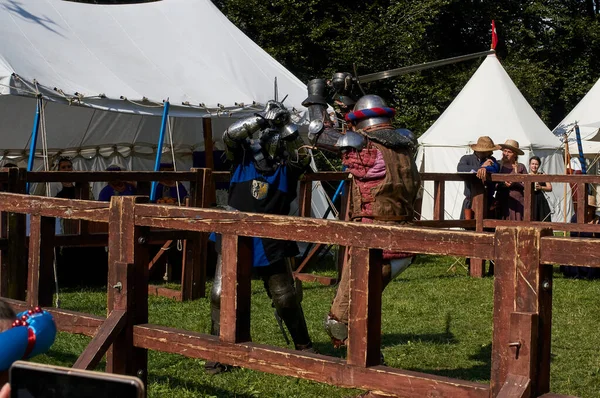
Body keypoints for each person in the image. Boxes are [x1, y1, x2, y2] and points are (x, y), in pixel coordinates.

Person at [303, 76, 420, 353]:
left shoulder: (366, 151)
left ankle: (365, 359)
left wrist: (318, 95)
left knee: (344, 312)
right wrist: (345, 95)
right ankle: (368, 354)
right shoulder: (404, 145)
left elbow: (317, 132)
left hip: (374, 241)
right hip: (406, 240)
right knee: (365, 299)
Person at [206, 100, 314, 374]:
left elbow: (302, 155)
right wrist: (262, 119)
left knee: (285, 298)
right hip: (234, 234)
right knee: (220, 294)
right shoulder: (242, 160)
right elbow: (229, 136)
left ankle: (304, 348)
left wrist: (285, 124)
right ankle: (220, 351)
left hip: (271, 238)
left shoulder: (288, 169)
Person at [456, 136, 500, 219]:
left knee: (487, 230)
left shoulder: (491, 160)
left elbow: (496, 168)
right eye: (489, 151)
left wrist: (485, 168)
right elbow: (460, 168)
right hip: (470, 202)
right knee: (468, 229)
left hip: (488, 202)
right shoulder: (467, 159)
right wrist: (480, 168)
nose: (491, 153)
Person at [561, 195, 600, 279]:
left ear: (593, 209)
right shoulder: (576, 218)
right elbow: (573, 236)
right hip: (579, 248)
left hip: (593, 250)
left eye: (590, 207)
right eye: (586, 207)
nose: (588, 209)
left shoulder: (598, 220)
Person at [495, 139, 527, 221]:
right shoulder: (498, 165)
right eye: (504, 151)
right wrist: (503, 184)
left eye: (509, 152)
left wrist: (515, 182)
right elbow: (493, 183)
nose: (506, 154)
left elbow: (527, 185)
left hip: (517, 202)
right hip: (502, 200)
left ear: (515, 154)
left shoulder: (521, 167)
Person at [529, 156, 552, 222]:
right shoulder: (527, 175)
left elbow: (550, 188)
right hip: (530, 199)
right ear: (530, 165)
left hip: (540, 199)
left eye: (536, 164)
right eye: (532, 164)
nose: (534, 166)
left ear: (539, 165)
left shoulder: (543, 175)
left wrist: (541, 187)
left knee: (542, 218)